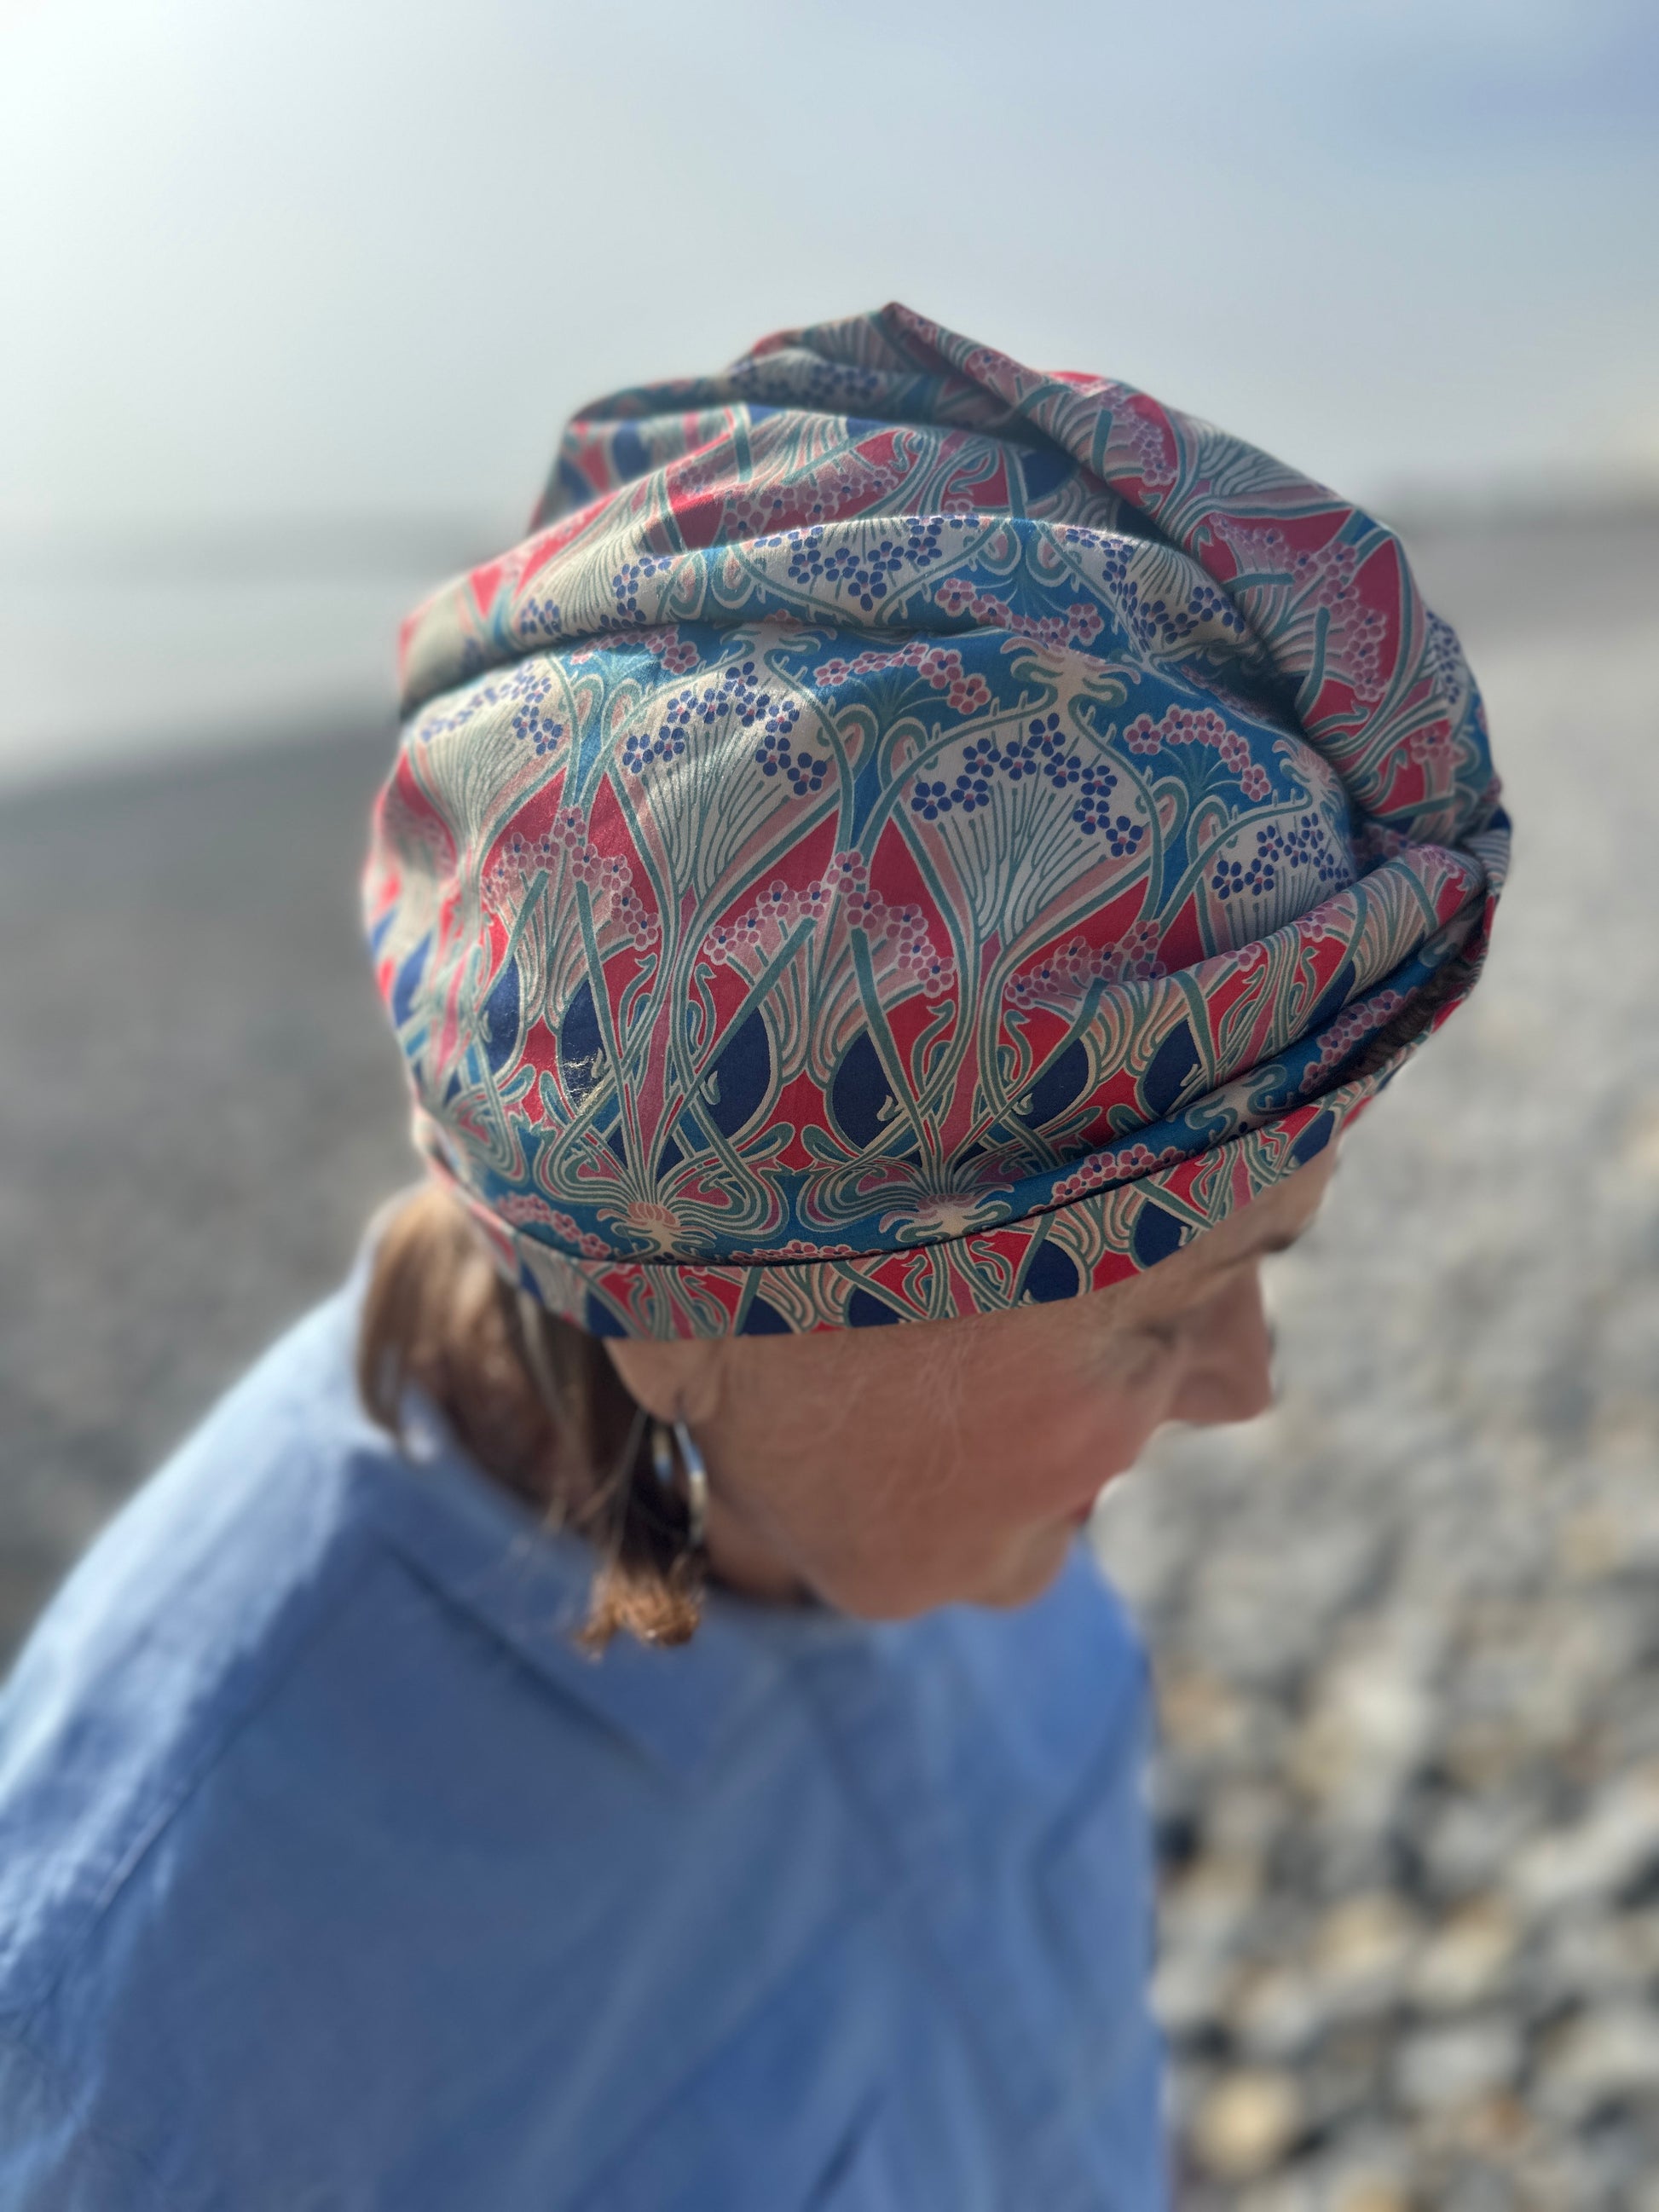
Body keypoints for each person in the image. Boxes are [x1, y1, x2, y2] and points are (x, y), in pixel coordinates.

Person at [0, 305, 1506, 2209]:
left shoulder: (948, 1525)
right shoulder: (170, 1999)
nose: (1247, 1386)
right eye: (1156, 1316)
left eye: (1263, 1262)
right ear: (678, 1300)